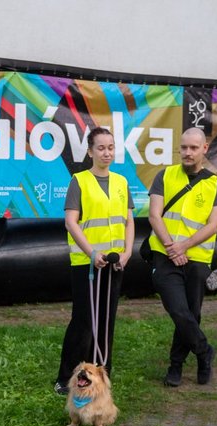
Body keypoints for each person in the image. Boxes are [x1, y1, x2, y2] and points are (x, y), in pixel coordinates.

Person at [53, 127, 135, 395]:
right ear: (90, 151)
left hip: (114, 263)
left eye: (111, 147)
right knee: (84, 321)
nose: (107, 152)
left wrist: (127, 251)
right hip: (86, 264)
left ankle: (100, 372)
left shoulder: (122, 183)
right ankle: (67, 376)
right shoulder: (80, 181)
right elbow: (71, 222)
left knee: (106, 318)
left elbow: (128, 219)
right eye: (101, 148)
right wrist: (91, 253)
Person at [147, 127, 217, 387]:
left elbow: (213, 225)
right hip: (164, 255)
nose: (187, 152)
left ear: (205, 149)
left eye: (193, 148)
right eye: (184, 147)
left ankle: (176, 366)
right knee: (178, 310)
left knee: (192, 313)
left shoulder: (214, 184)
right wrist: (171, 247)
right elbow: (154, 215)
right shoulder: (165, 175)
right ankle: (204, 351)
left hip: (198, 259)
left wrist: (186, 246)